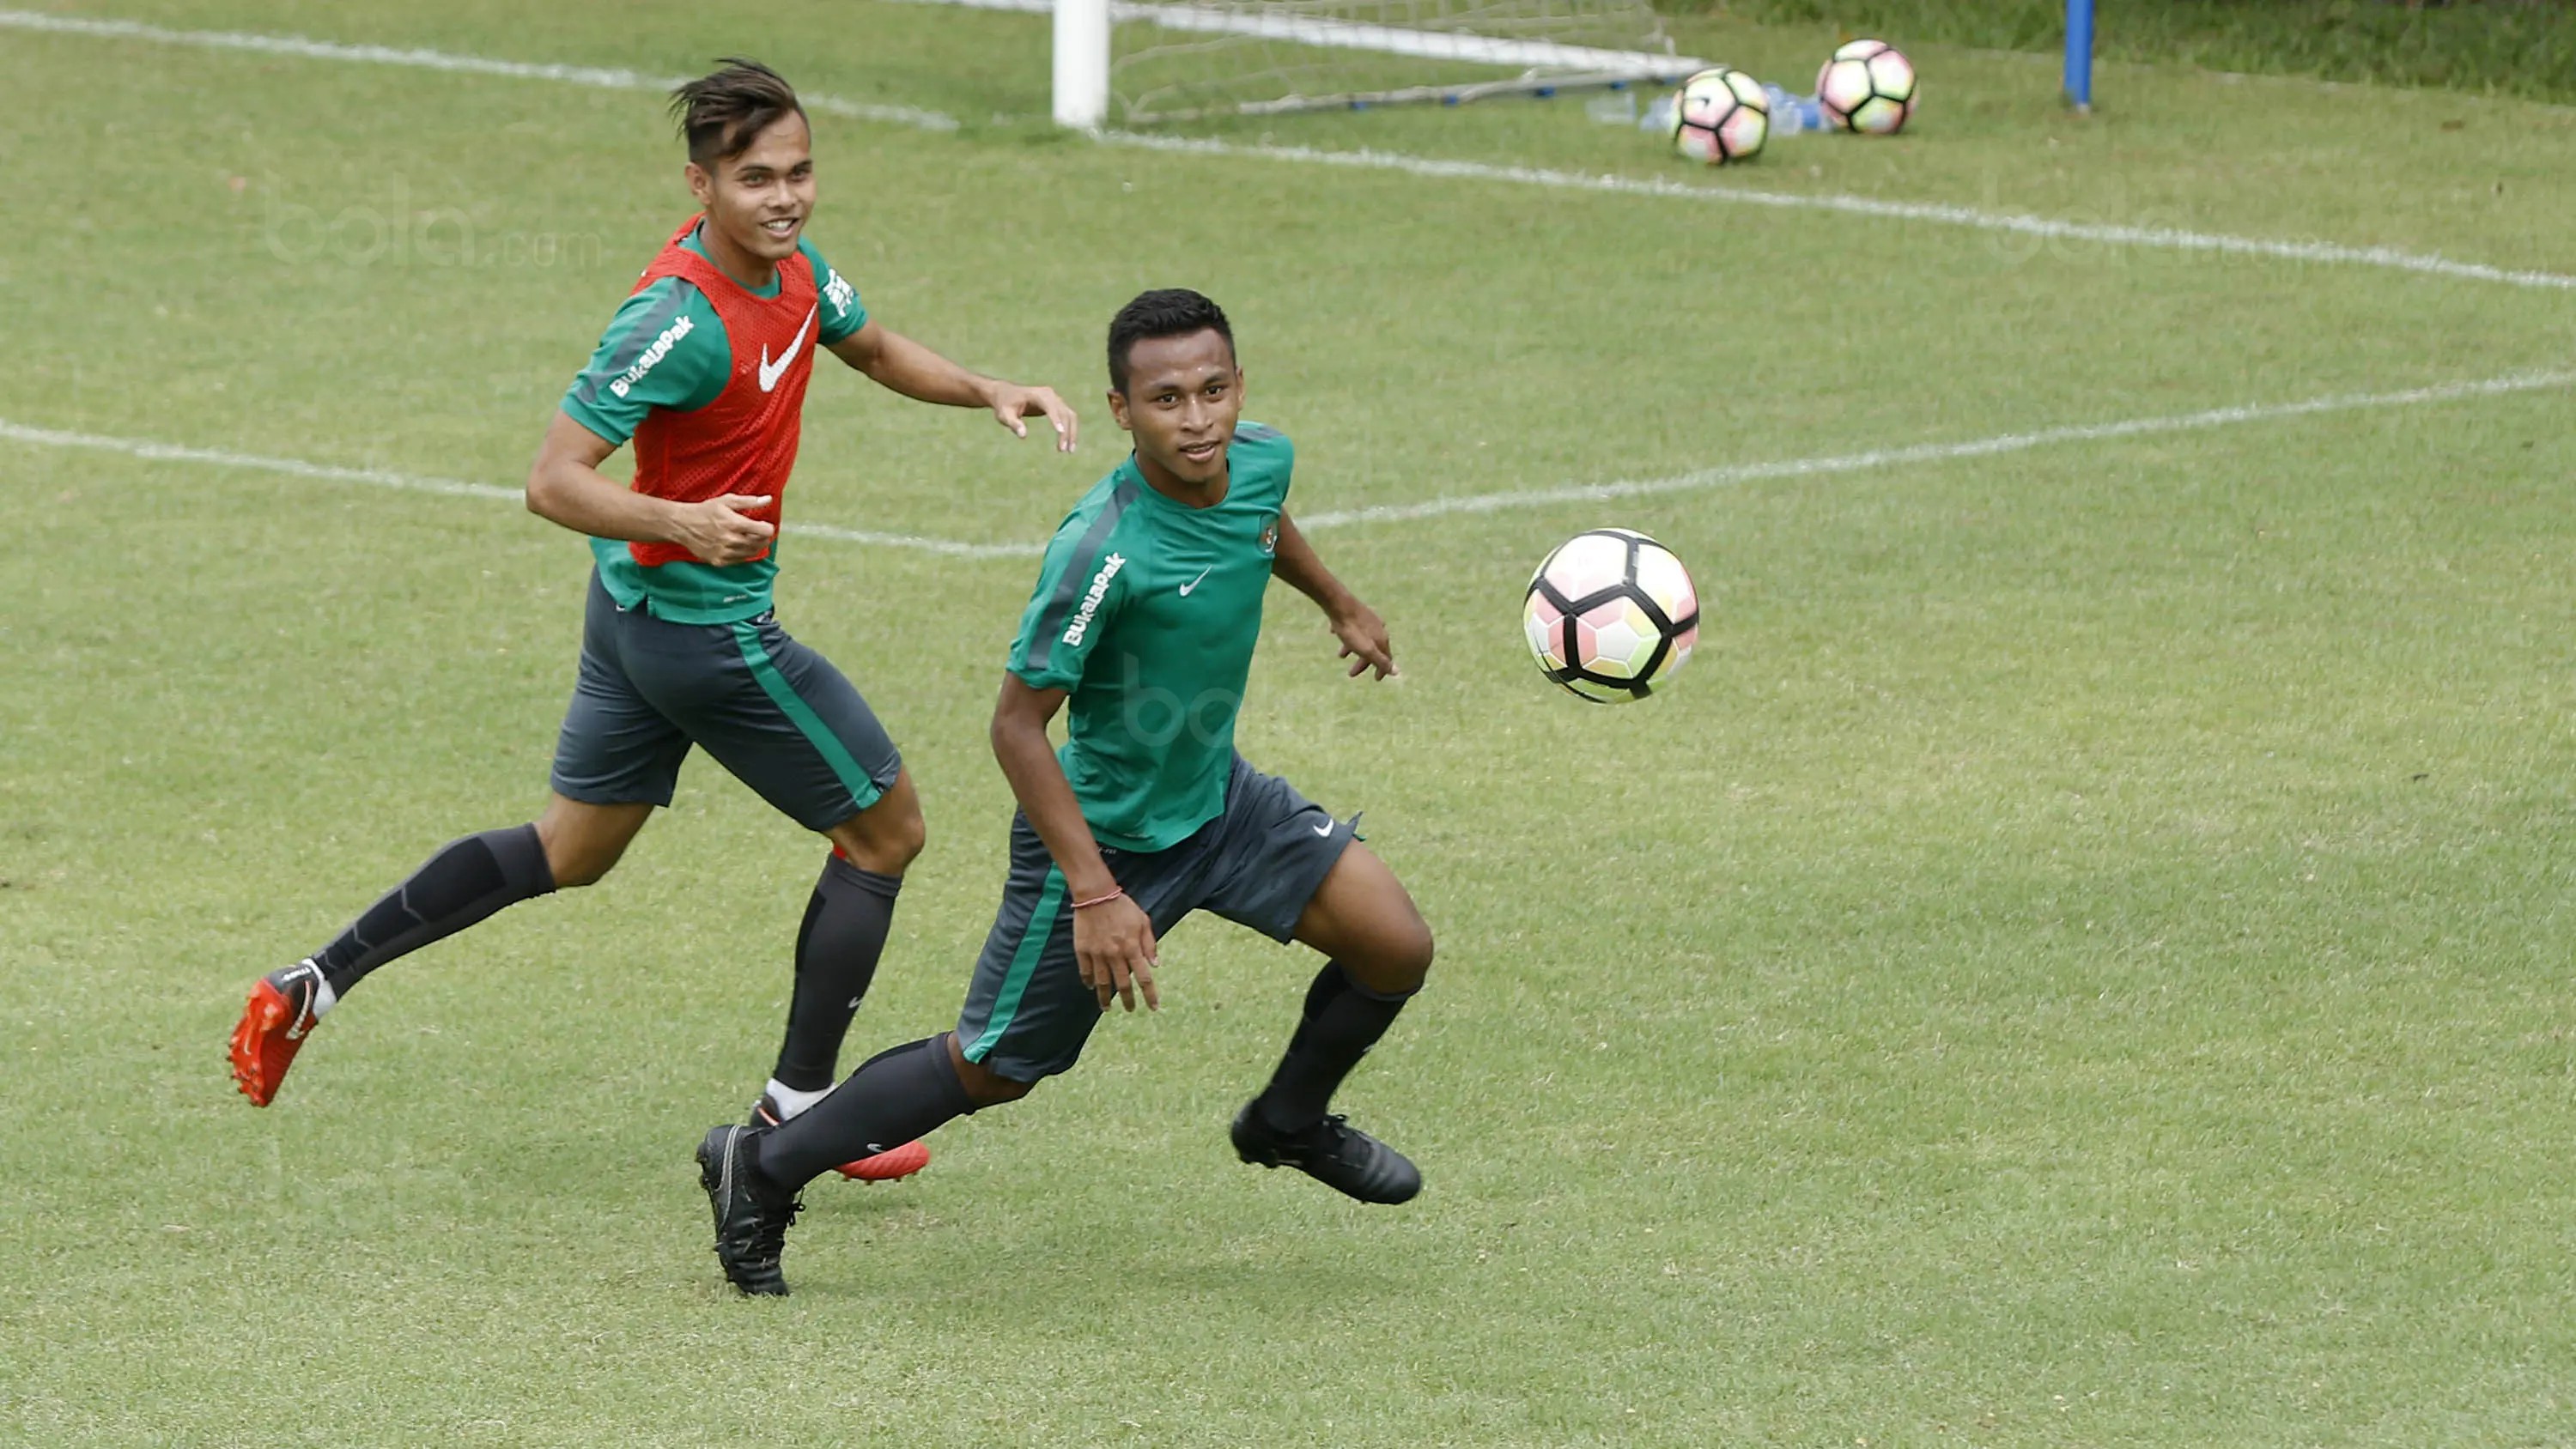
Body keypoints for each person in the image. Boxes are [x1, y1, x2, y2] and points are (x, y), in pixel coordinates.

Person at [226, 59, 1078, 1183]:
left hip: (635, 618)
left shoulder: (797, 272)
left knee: (569, 850)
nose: (785, 197)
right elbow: (552, 479)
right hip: (701, 630)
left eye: (801, 172)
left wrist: (986, 388)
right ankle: (794, 1117)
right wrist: (681, 520)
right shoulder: (674, 319)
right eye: (756, 178)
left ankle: (308, 986)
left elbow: (867, 344)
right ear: (701, 185)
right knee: (887, 832)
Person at [691, 288, 1435, 1295]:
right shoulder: (1101, 551)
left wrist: (1340, 601)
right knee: (994, 1066)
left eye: (1215, 390)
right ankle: (763, 1164)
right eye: (1166, 398)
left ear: (1240, 387)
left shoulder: (1260, 459)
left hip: (1220, 801)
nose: (1199, 418)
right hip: (1100, 837)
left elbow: (1265, 526)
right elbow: (1014, 725)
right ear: (1122, 411)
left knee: (1394, 943)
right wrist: (1094, 890)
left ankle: (1288, 1120)